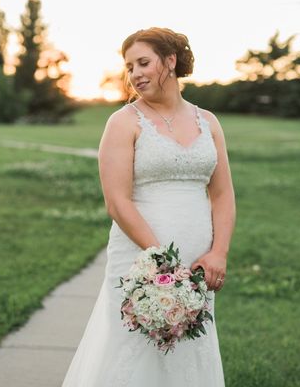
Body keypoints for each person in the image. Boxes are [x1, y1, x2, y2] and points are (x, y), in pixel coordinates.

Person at [62, 27, 236, 386]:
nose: (135, 73)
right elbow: (117, 201)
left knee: (190, 349)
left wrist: (218, 252)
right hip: (140, 258)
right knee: (133, 348)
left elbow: (222, 195)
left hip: (197, 262)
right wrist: (161, 261)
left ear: (170, 61)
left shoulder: (209, 123)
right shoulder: (123, 122)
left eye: (144, 62)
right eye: (129, 67)